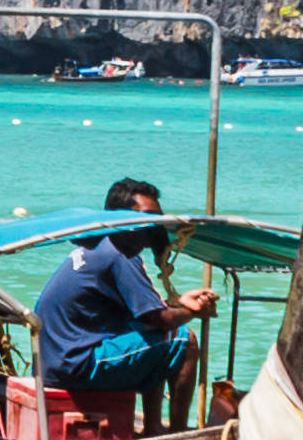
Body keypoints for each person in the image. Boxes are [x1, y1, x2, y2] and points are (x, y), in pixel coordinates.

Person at [36, 177, 209, 425]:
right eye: (147, 216)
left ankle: (152, 428)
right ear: (124, 220)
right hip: (75, 365)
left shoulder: (99, 244)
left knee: (156, 338)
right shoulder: (120, 255)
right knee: (185, 340)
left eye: (157, 217)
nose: (154, 225)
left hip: (56, 363)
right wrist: (192, 311)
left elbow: (149, 313)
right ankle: (177, 431)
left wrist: (181, 302)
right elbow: (160, 319)